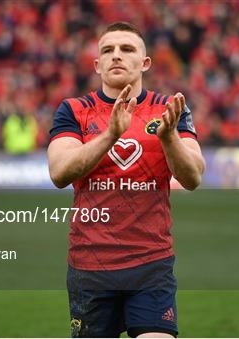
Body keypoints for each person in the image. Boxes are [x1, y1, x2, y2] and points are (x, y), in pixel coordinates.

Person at [47, 22, 205, 338]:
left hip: (151, 263)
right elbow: (59, 172)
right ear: (97, 64)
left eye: (127, 49)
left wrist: (169, 138)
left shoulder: (168, 109)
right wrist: (111, 134)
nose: (116, 56)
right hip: (90, 266)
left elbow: (193, 177)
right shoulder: (74, 110)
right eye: (108, 50)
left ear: (145, 62)